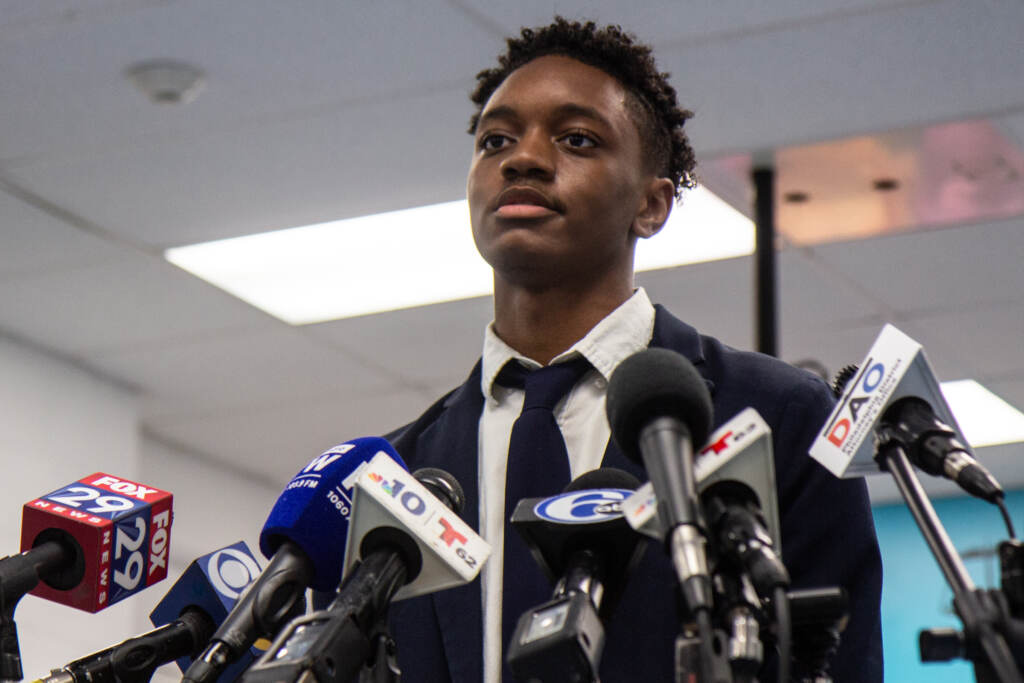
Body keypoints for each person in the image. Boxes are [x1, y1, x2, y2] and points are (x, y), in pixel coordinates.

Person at [386, 17, 882, 682]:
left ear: (651, 205)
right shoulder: (401, 474)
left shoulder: (775, 414)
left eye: (576, 139)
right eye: (495, 140)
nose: (521, 159)